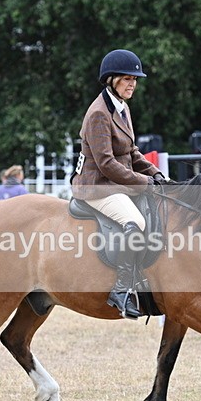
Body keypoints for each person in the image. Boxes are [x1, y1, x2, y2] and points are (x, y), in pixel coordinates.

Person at [70, 48, 170, 318]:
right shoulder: (99, 114)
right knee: (136, 223)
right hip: (97, 186)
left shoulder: (121, 108)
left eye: (135, 80)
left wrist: (156, 174)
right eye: (127, 79)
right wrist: (144, 182)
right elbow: (107, 164)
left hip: (115, 183)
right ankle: (122, 289)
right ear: (111, 79)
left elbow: (131, 152)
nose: (132, 84)